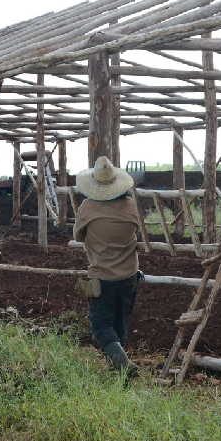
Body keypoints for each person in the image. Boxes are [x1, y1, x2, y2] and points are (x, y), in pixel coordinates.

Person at [73, 156, 142, 374]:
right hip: (129, 275)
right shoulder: (130, 206)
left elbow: (78, 235)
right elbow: (137, 231)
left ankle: (121, 363)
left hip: (102, 276)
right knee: (120, 321)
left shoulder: (88, 207)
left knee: (101, 326)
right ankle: (120, 368)